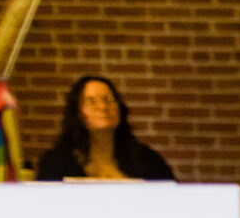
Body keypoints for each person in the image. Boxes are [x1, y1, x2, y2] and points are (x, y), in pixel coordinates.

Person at [34, 75, 174, 181]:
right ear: (77, 112)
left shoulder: (147, 160)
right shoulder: (55, 163)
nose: (103, 107)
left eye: (109, 100)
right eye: (92, 101)